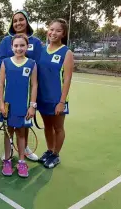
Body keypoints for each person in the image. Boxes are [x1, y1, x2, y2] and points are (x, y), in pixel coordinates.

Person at [0, 9, 42, 162]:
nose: (18, 23)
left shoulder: (35, 42)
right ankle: (8, 151)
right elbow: (0, 62)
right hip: (10, 92)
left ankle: (25, 149)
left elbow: (37, 64)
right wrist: (16, 60)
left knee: (24, 125)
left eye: (21, 19)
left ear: (27, 21)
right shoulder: (5, 41)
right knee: (9, 126)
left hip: (27, 91)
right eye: (15, 20)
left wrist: (33, 104)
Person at [0, 34, 37, 177]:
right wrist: (1, 103)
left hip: (23, 106)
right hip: (8, 106)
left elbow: (34, 85)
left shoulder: (31, 63)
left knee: (21, 134)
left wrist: (32, 105)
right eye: (16, 45)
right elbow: (1, 84)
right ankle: (7, 161)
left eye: (22, 45)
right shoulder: (5, 63)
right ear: (11, 47)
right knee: (8, 133)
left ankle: (21, 161)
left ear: (27, 47)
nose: (19, 48)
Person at [37, 18, 74, 168]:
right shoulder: (42, 49)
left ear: (63, 34)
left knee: (58, 128)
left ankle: (56, 155)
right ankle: (49, 150)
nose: (53, 33)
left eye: (58, 30)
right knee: (47, 127)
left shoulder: (67, 52)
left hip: (57, 99)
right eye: (51, 29)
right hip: (42, 97)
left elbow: (67, 79)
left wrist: (61, 101)